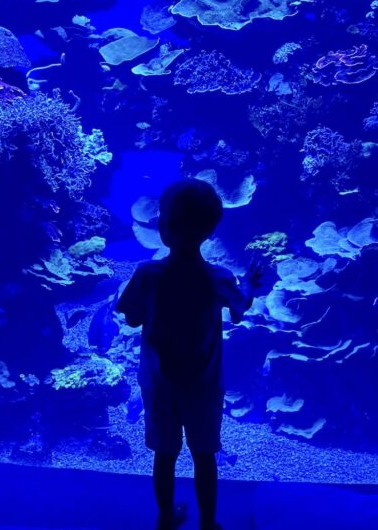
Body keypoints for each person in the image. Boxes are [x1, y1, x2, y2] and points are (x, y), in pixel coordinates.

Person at [116, 178, 263, 530]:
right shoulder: (218, 277)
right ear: (209, 230)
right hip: (203, 385)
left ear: (164, 226)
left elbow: (133, 317)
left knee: (164, 456)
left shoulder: (148, 274)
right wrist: (248, 285)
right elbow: (240, 306)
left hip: (159, 382)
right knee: (205, 455)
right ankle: (208, 523)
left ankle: (166, 517)